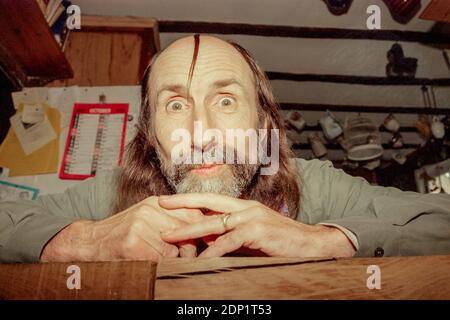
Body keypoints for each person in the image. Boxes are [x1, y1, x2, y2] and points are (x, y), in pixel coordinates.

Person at [1, 35, 449, 263]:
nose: (201, 130)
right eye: (176, 104)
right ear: (150, 137)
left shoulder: (316, 188)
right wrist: (87, 240)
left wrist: (325, 238)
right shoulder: (112, 198)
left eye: (226, 100)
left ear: (263, 121)